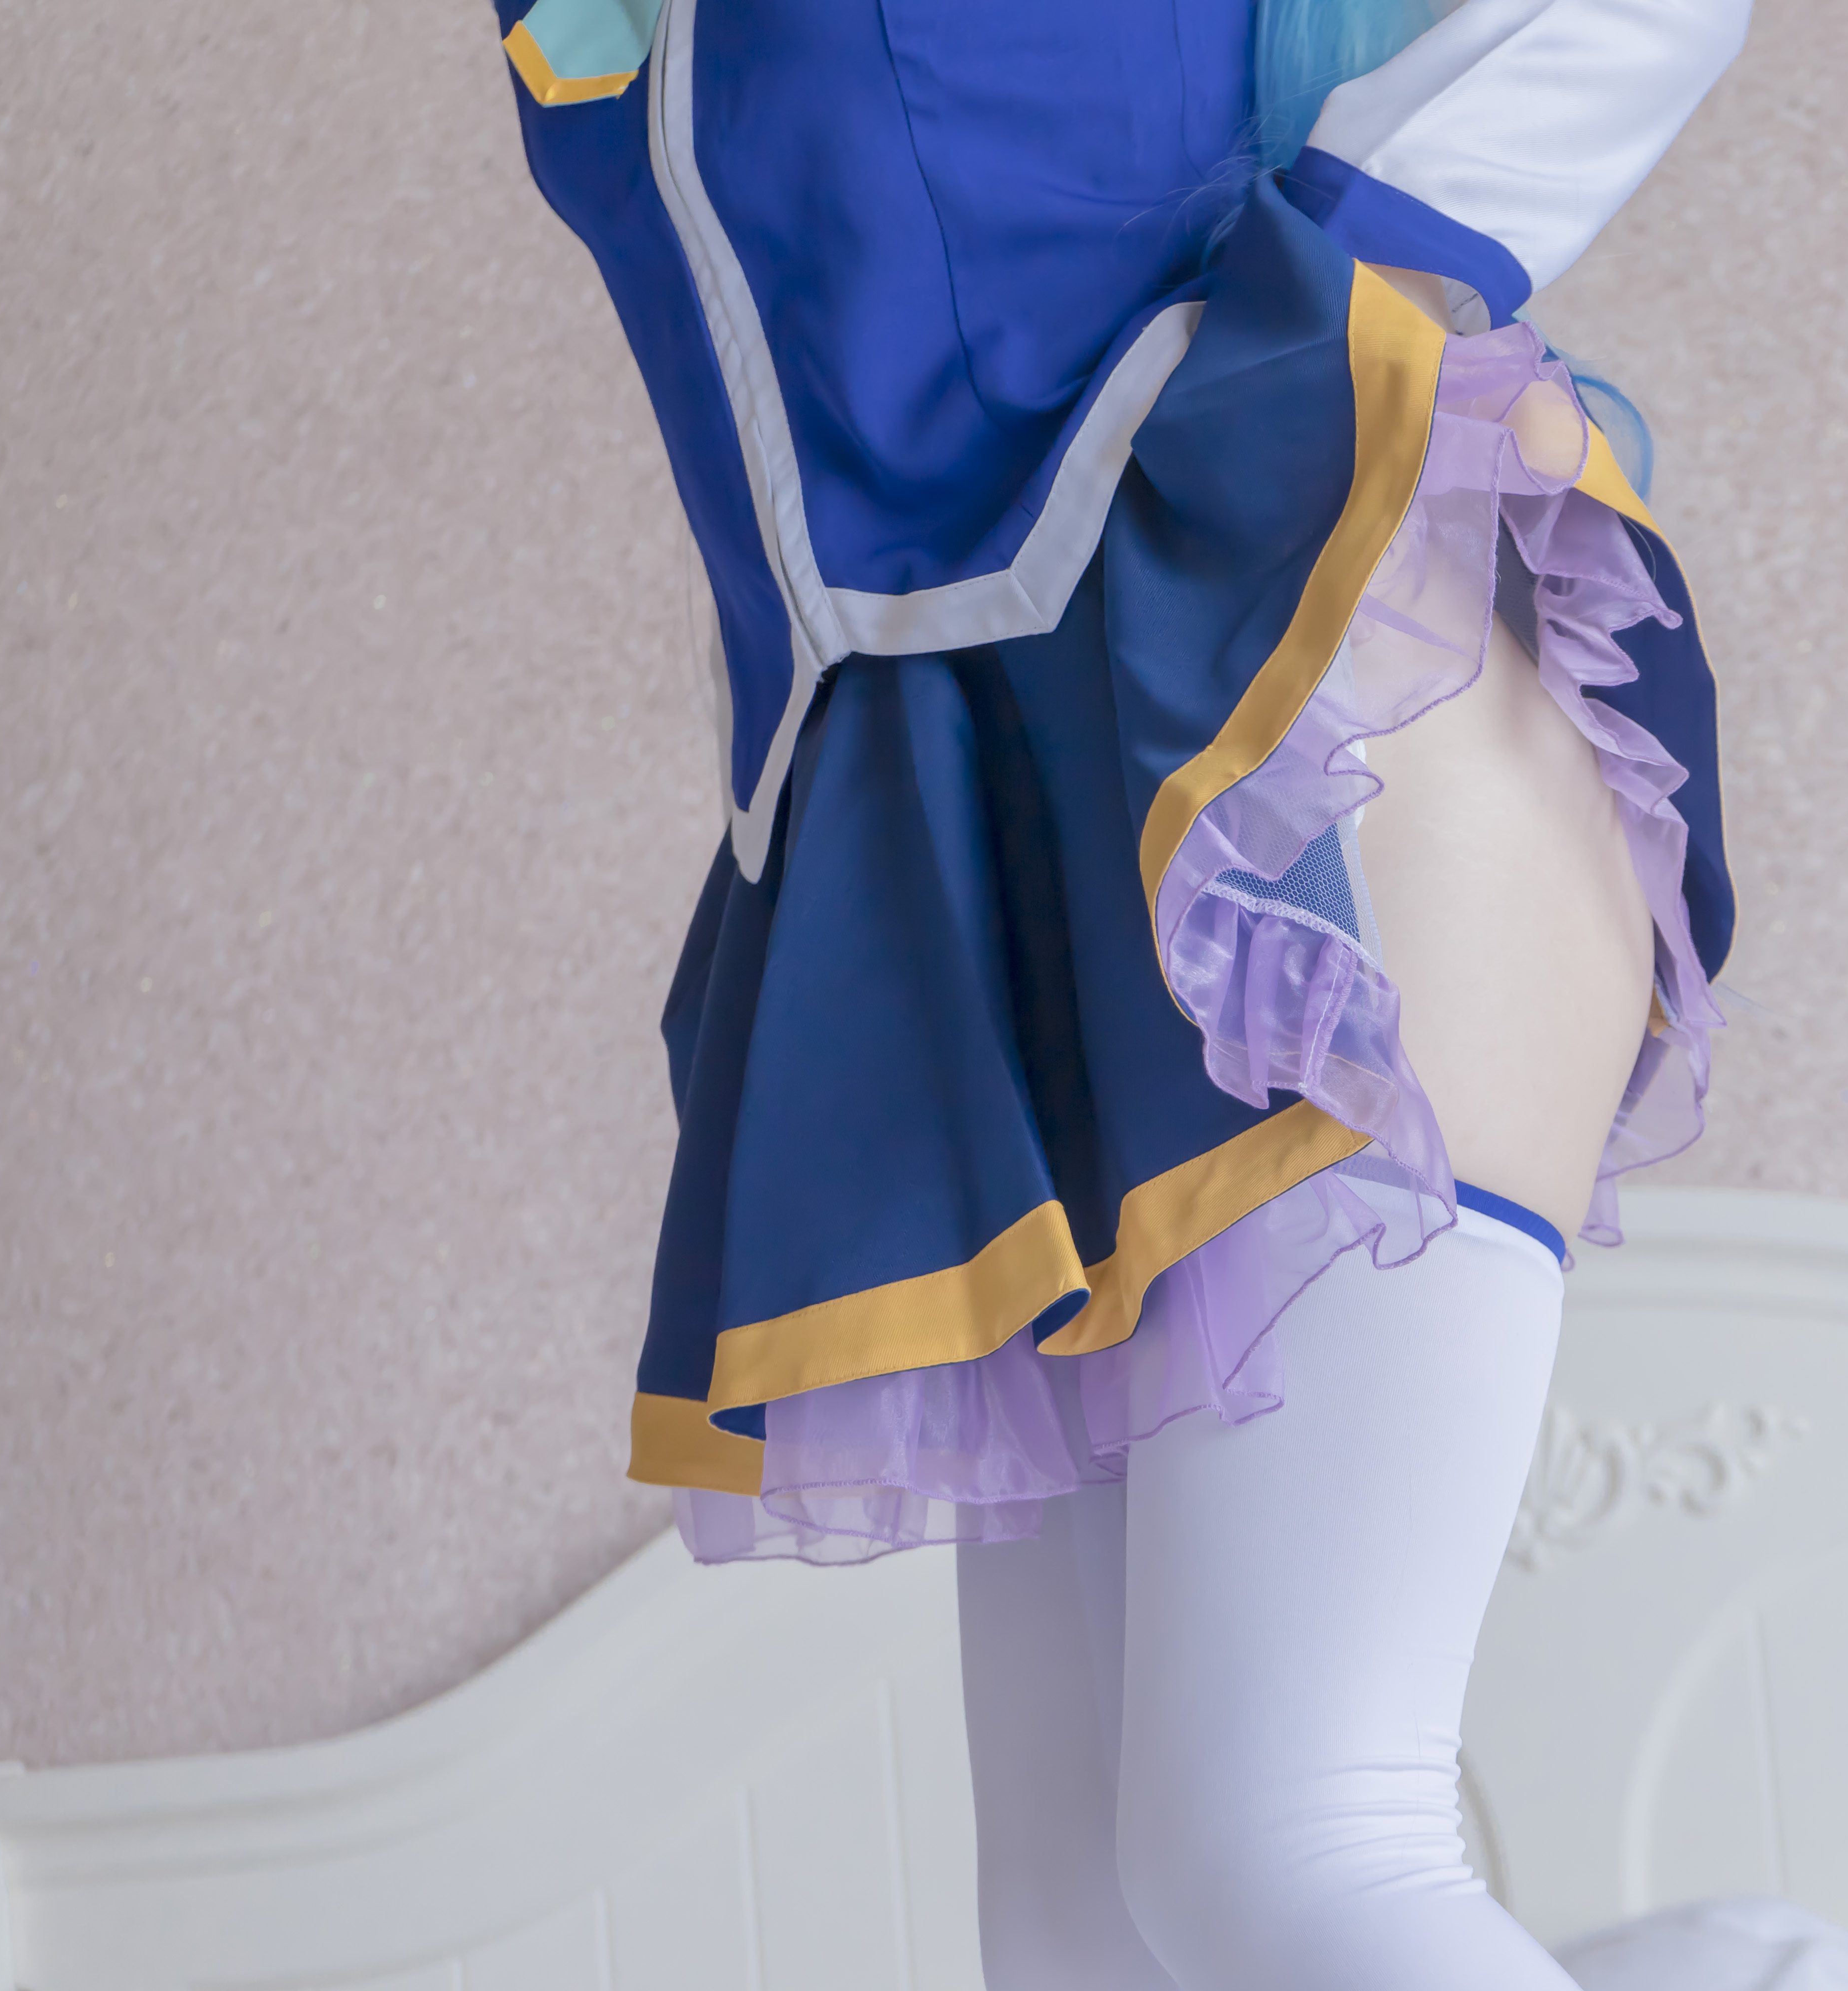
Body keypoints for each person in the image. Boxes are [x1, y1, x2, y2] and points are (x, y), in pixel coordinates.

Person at [496, 0, 1744, 1980]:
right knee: (1083, 1937)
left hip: (1296, 728)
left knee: (1288, 1851)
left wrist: (1333, 280)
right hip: (1003, 817)